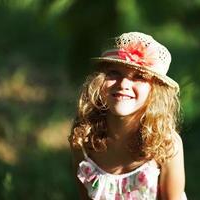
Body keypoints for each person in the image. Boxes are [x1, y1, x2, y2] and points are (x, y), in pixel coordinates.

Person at [69, 32, 187, 200]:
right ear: (99, 80)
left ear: (156, 91)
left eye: (139, 77)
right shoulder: (84, 136)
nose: (124, 84)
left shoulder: (166, 144)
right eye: (114, 73)